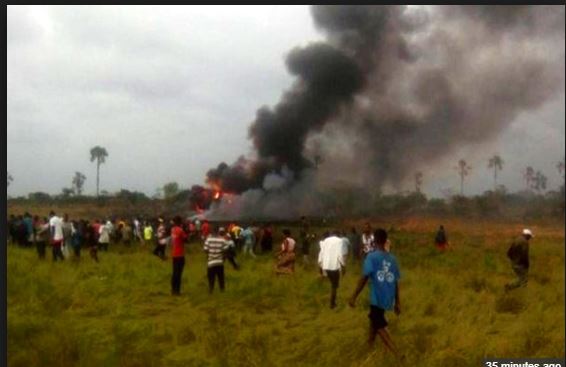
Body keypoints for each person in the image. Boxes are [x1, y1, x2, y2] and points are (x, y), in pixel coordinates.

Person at [349, 228, 401, 358]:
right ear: (385, 240)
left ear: (375, 240)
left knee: (378, 324)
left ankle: (397, 353)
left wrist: (354, 296)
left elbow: (364, 278)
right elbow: (395, 281)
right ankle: (369, 346)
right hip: (388, 296)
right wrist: (397, 302)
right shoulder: (392, 259)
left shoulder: (371, 257)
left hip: (377, 297)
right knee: (374, 320)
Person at [318, 230, 347, 309]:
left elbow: (322, 253)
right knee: (335, 286)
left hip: (326, 265)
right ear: (338, 234)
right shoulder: (339, 241)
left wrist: (320, 266)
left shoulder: (326, 241)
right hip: (334, 266)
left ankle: (331, 301)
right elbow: (340, 255)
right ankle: (332, 304)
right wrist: (343, 266)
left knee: (333, 284)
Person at [204, 227, 231, 293]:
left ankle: (211, 289)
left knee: (211, 277)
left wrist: (210, 254)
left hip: (211, 262)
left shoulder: (208, 239)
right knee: (221, 277)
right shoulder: (222, 239)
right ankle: (222, 290)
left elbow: (205, 249)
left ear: (212, 231)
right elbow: (226, 248)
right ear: (218, 232)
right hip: (219, 261)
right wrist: (223, 256)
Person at [170, 216, 188, 295]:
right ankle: (177, 291)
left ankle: (173, 289)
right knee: (179, 273)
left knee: (174, 272)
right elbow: (186, 240)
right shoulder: (180, 230)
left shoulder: (173, 230)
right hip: (180, 254)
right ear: (180, 222)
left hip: (174, 254)